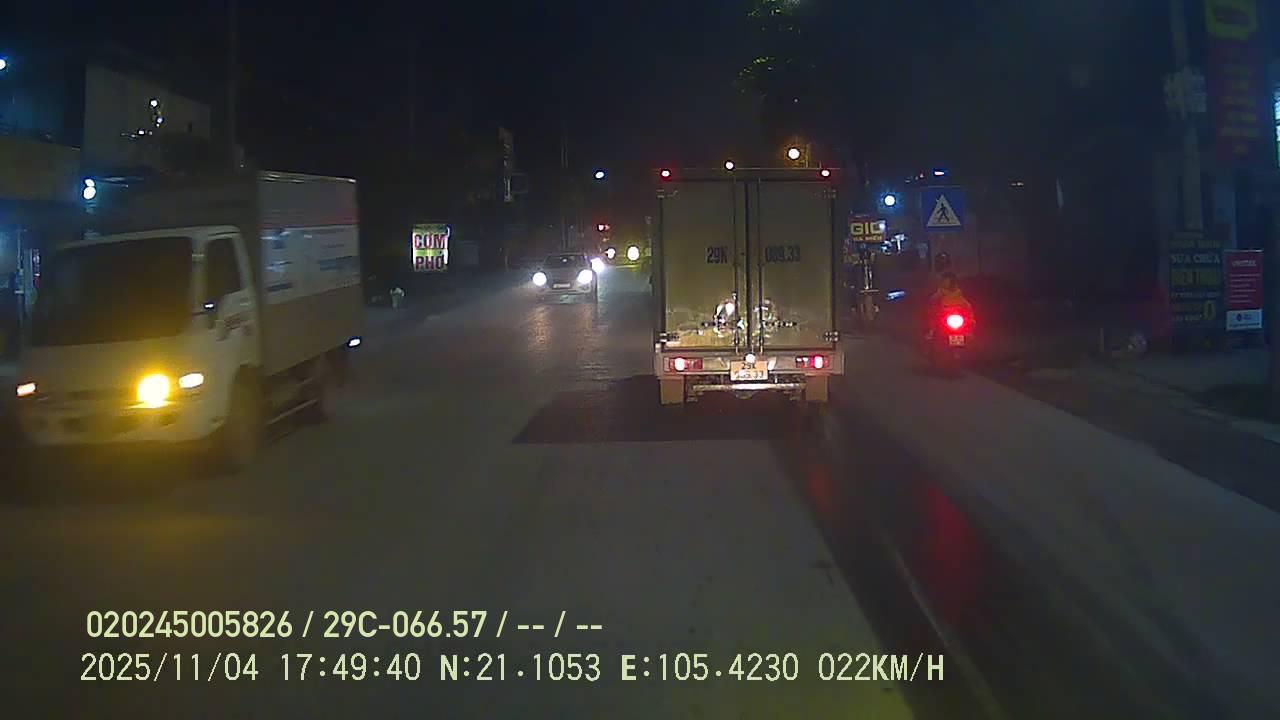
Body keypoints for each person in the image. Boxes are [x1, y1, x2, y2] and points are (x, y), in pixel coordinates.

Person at [924, 272, 972, 340]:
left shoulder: (944, 291)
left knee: (933, 316)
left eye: (946, 280)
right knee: (969, 317)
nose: (946, 282)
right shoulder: (956, 290)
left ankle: (931, 332)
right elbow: (964, 301)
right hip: (955, 310)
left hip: (950, 309)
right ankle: (968, 332)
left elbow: (934, 298)